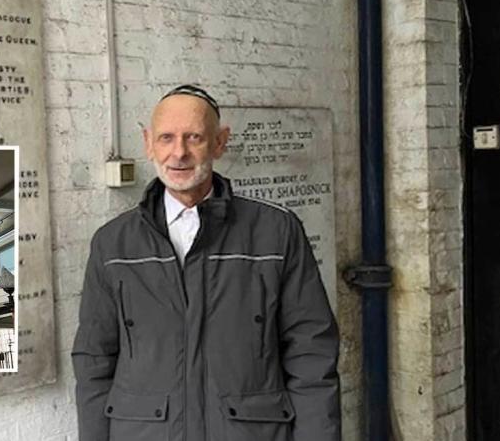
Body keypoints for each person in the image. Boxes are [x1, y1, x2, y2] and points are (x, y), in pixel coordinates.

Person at [72, 85, 340, 441]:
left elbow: (312, 354)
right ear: (148, 143)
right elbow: (94, 362)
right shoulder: (113, 245)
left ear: (219, 142)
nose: (178, 152)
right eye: (166, 138)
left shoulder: (276, 233)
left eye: (194, 137)